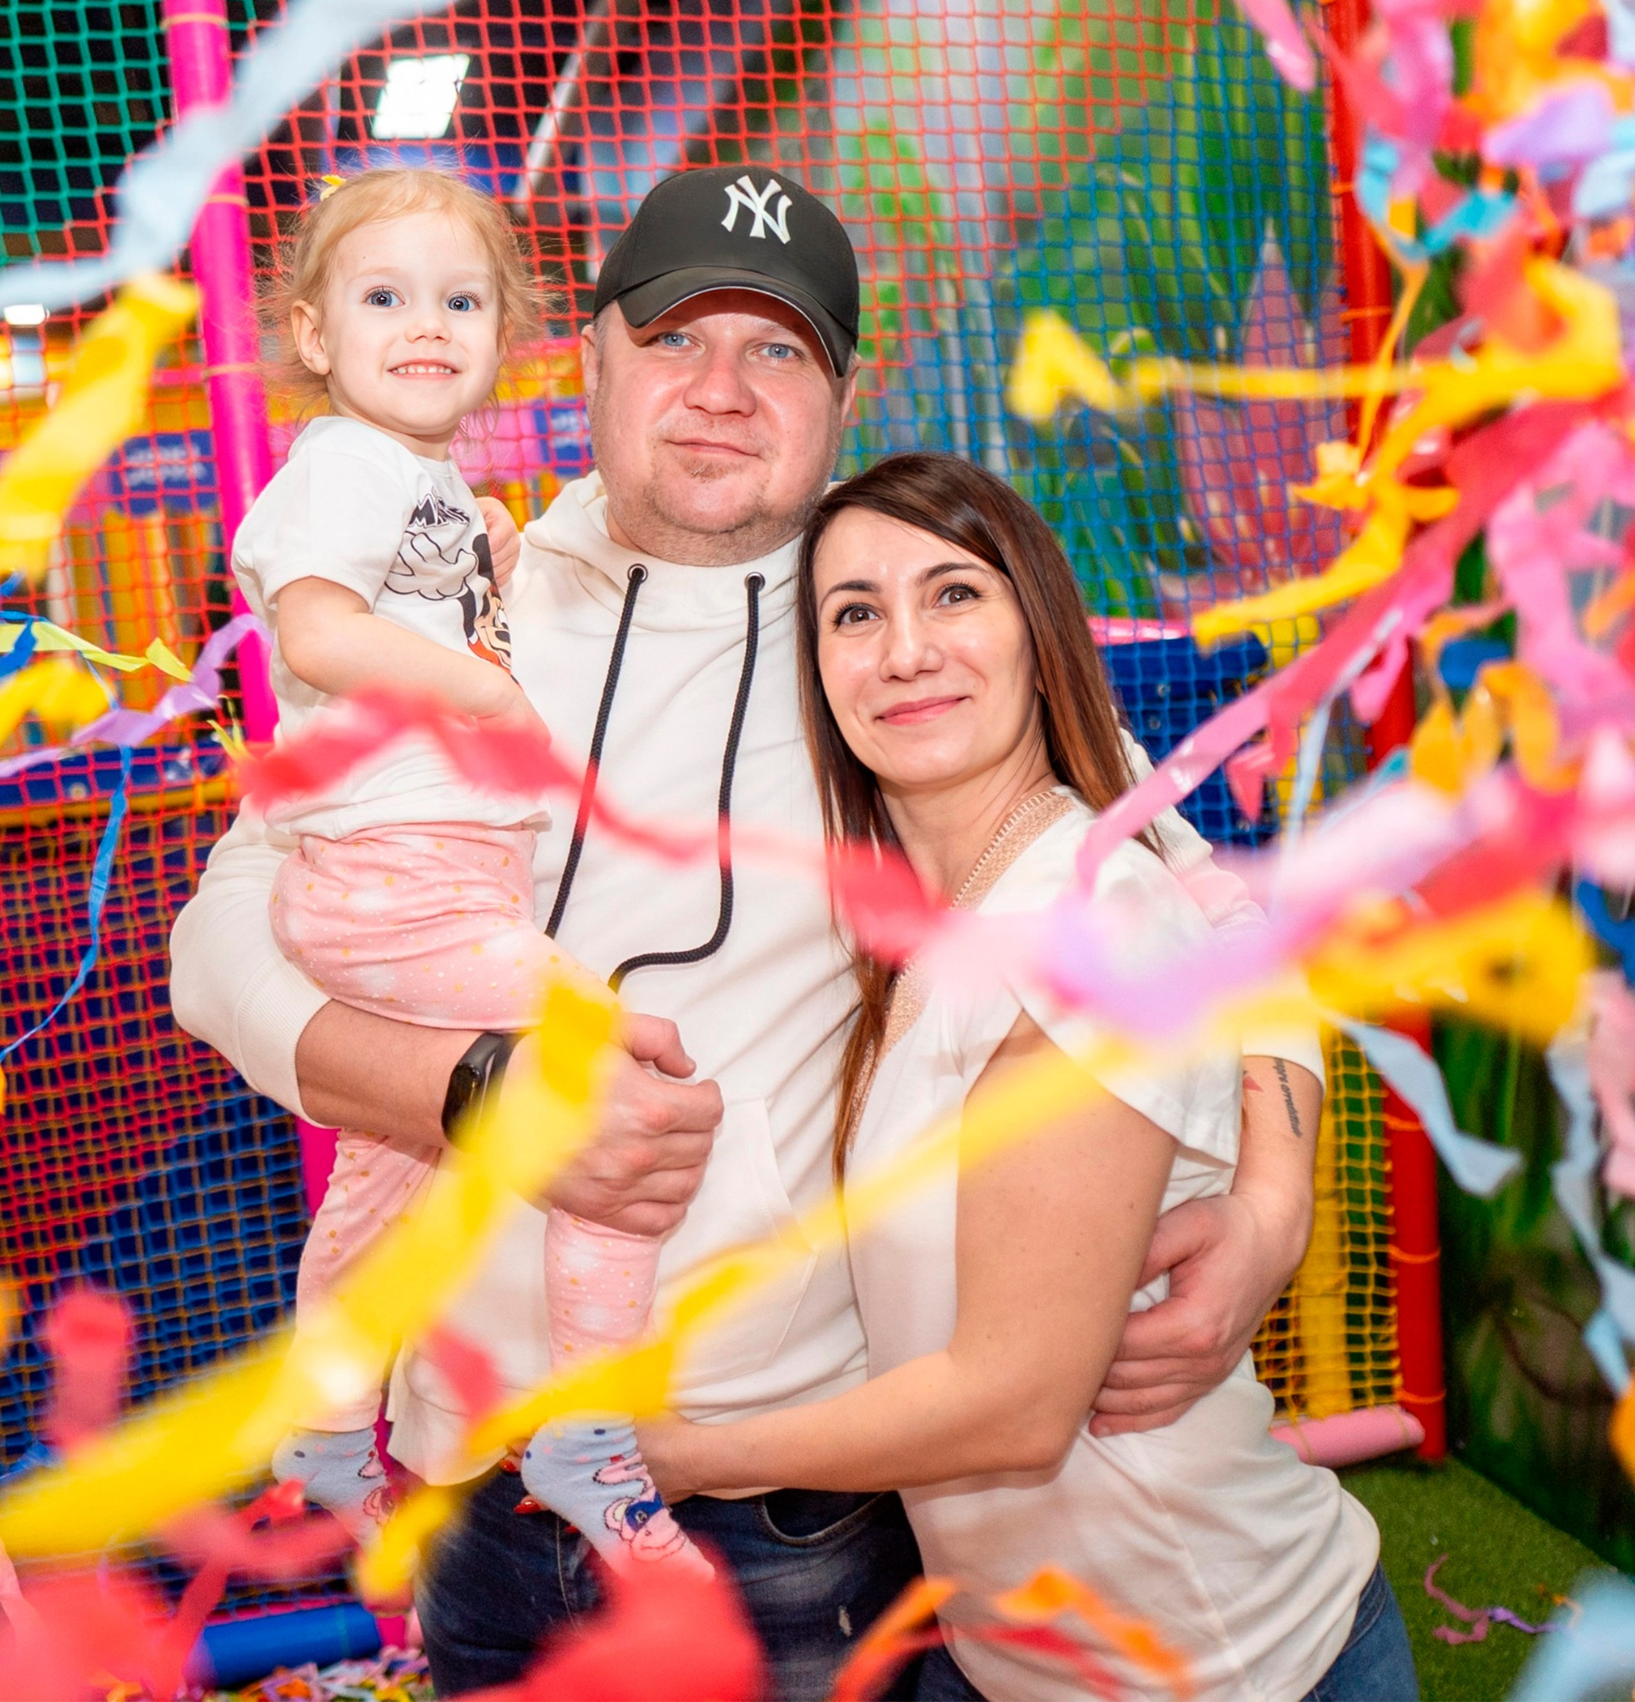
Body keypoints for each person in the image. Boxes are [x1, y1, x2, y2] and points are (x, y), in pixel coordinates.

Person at [172, 165, 1326, 1696]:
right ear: (585, 355)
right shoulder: (453, 596)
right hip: (470, 1491)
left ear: (840, 394)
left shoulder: (898, 634)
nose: (721, 390)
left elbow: (1215, 911)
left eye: (777, 350)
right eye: (675, 337)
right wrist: (462, 1093)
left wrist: (1272, 1196)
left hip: (784, 1516)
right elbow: (224, 931)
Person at [639, 454, 1411, 1702]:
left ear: (1034, 627)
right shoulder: (939, 886)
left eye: (953, 594)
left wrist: (680, 1457)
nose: (903, 650)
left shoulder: (1079, 911)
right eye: (854, 613)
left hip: (1232, 1662)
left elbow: (1013, 1404)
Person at [233, 167, 705, 1578]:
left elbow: (381, 600)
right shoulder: (343, 464)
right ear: (313, 333)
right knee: (625, 1081)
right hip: (402, 885)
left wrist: (477, 576)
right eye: (384, 298)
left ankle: (321, 1429)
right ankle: (583, 1429)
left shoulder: (422, 482)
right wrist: (478, 686)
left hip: (425, 884)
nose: (426, 324)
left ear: (504, 331)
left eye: (459, 300)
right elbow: (312, 629)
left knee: (393, 1162)